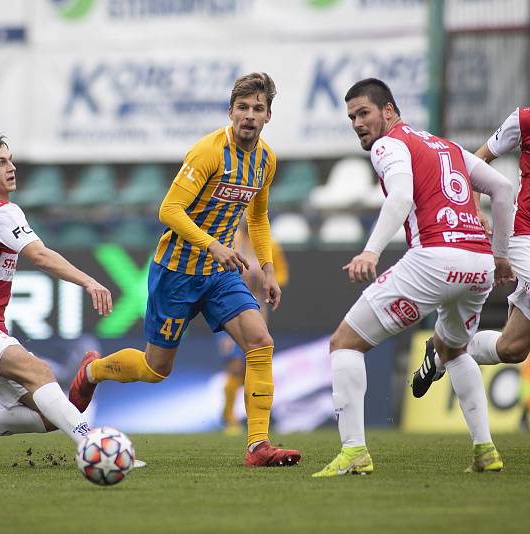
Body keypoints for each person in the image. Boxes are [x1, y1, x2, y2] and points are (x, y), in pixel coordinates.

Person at [68, 72, 301, 467]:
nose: (248, 115)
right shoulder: (208, 152)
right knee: (157, 368)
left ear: (268, 117)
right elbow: (168, 210)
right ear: (230, 111)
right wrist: (213, 244)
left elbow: (258, 219)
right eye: (242, 108)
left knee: (260, 344)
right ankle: (92, 371)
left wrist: (266, 270)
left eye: (257, 109)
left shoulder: (266, 160)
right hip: (176, 272)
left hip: (220, 274)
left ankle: (258, 446)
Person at [312, 78, 515, 478]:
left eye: (364, 112)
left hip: (435, 259)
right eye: (351, 116)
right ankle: (485, 449)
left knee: (345, 344)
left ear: (389, 110)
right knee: (454, 349)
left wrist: (370, 251)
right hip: (478, 264)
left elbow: (402, 197)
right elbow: (503, 189)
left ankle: (354, 451)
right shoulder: (446, 146)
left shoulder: (390, 145)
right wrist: (501, 256)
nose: (357, 122)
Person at [0, 131, 126, 467]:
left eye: (11, 160)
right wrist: (89, 281)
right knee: (41, 373)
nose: (11, 167)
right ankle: (95, 448)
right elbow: (41, 256)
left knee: (47, 416)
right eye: (0, 163)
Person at [412, 106, 530, 397]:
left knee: (513, 349)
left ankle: (441, 353)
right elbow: (479, 159)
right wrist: (474, 207)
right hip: (524, 234)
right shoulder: (523, 119)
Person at [217, 219, 289, 435]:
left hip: (257, 312)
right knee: (234, 367)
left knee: (251, 367)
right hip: (228, 309)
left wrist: (265, 279)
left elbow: (281, 276)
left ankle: (252, 418)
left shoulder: (270, 245)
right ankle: (229, 417)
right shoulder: (230, 239)